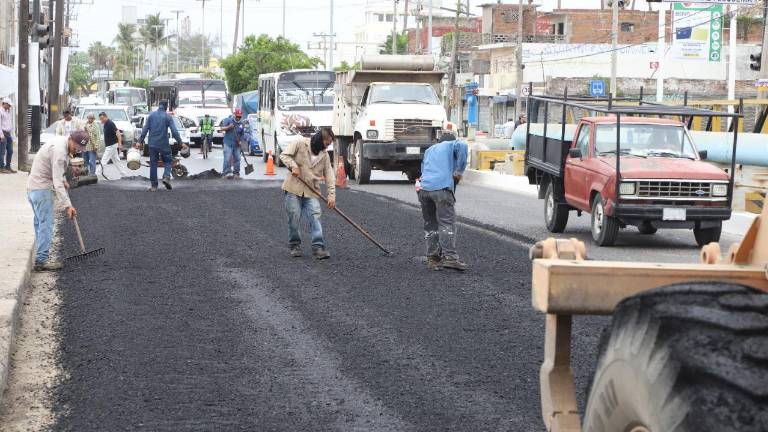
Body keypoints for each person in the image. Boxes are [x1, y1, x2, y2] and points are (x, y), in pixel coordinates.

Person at [27, 130, 89, 271]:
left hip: (33, 187)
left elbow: (58, 171)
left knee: (40, 223)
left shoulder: (62, 142)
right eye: (76, 147)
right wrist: (68, 206)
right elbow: (57, 181)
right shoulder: (60, 152)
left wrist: (64, 178)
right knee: (46, 224)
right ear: (71, 139)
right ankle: (41, 260)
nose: (76, 150)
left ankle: (40, 256)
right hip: (42, 189)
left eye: (79, 149)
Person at [279, 128, 336, 260]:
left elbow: (330, 175)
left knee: (315, 217)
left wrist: (331, 195)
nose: (327, 147)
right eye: (326, 144)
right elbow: (284, 155)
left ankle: (318, 247)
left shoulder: (325, 156)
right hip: (293, 188)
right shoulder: (300, 143)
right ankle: (295, 245)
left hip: (311, 191)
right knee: (294, 217)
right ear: (319, 140)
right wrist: (293, 166)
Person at [418, 133, 469, 271]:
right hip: (441, 189)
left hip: (424, 190)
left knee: (431, 224)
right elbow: (463, 145)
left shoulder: (430, 150)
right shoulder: (451, 144)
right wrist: (458, 172)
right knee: (447, 224)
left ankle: (433, 259)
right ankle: (451, 258)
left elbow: (423, 170)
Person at [137, 101, 183, 191]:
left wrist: (140, 141)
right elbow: (174, 131)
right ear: (166, 107)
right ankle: (166, 176)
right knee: (168, 160)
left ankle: (154, 186)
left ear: (159, 106)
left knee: (153, 163)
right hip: (163, 144)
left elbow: (145, 129)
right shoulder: (168, 117)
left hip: (152, 144)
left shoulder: (151, 116)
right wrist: (180, 142)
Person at [97, 111, 127, 179]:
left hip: (112, 145)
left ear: (106, 117)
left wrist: (120, 143)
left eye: (102, 118)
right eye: (100, 119)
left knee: (104, 160)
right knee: (116, 160)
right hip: (110, 145)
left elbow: (118, 133)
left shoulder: (110, 123)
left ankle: (97, 173)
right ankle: (124, 174)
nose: (101, 120)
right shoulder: (105, 124)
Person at [220, 109, 244, 179]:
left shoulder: (241, 124)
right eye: (237, 116)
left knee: (237, 158)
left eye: (240, 117)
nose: (238, 118)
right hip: (228, 143)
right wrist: (229, 127)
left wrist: (241, 141)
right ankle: (225, 173)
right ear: (234, 115)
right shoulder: (228, 120)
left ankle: (236, 174)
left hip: (236, 144)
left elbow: (242, 134)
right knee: (227, 158)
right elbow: (222, 128)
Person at [0, 99, 15, 173]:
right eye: (8, 105)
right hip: (2, 133)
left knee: (10, 151)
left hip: (8, 134)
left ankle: (8, 166)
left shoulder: (8, 111)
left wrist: (12, 135)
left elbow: (9, 123)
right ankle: (1, 167)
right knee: (2, 152)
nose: (9, 106)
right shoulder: (0, 111)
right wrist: (1, 135)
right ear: (4, 104)